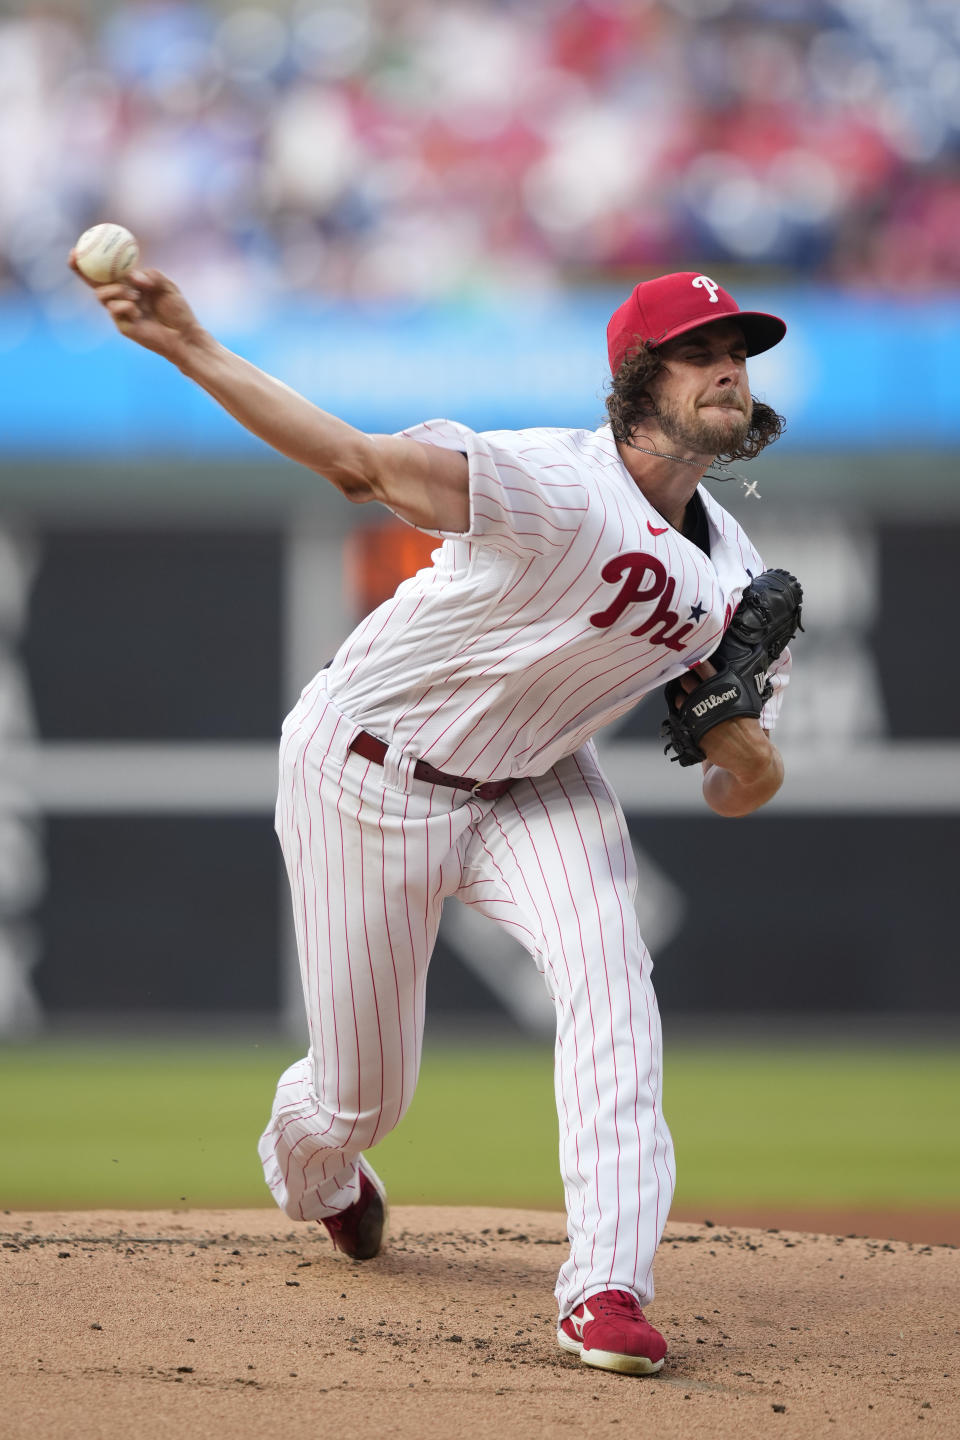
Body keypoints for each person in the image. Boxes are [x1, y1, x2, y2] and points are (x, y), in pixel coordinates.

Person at [70, 254, 792, 1377]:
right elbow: (358, 464)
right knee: (361, 1095)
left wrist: (739, 736)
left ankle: (606, 1287)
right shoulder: (554, 481)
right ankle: (322, 1172)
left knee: (614, 980)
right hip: (365, 769)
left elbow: (737, 791)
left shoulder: (738, 583)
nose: (730, 369)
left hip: (541, 784)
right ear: (637, 376)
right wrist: (188, 346)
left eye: (739, 353)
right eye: (701, 350)